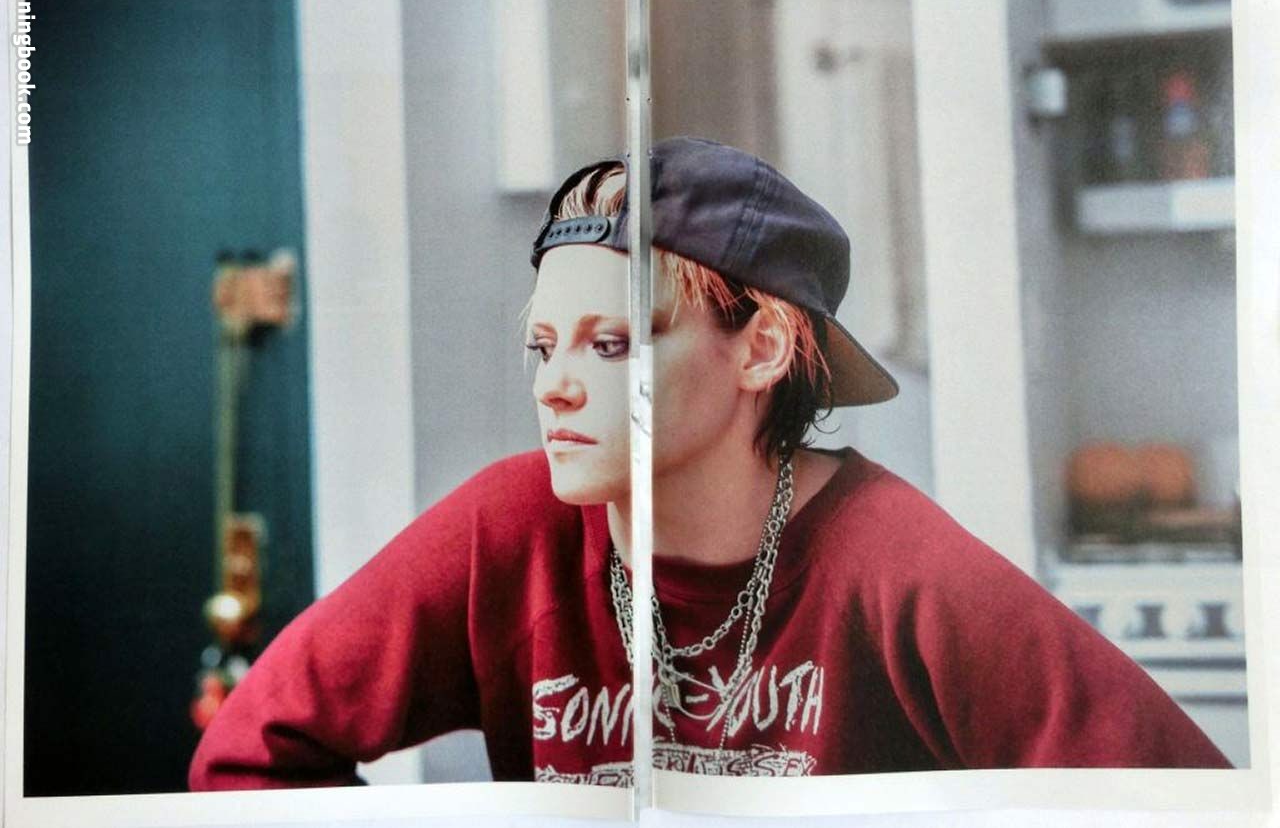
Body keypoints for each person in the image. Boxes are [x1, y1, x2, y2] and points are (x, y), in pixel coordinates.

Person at [189, 137, 1230, 789]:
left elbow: (1180, 801)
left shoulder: (898, 565)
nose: (554, 387)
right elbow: (248, 754)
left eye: (611, 344)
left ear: (761, 349)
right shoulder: (506, 528)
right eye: (541, 346)